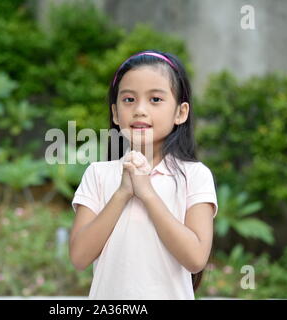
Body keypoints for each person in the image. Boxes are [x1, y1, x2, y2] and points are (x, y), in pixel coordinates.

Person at [69, 49, 218, 300]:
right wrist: (122, 193)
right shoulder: (98, 174)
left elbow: (195, 259)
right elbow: (79, 257)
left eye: (155, 100)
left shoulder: (195, 176)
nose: (140, 110)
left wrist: (146, 193)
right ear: (115, 113)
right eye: (128, 100)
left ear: (181, 113)